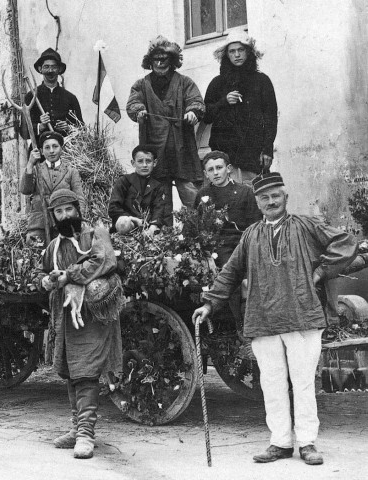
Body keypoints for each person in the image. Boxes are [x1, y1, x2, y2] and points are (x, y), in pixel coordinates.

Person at [192, 173, 358, 466]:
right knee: (271, 382)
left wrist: (320, 272)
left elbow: (344, 243)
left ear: (286, 198)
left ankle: (307, 442)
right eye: (265, 198)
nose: (271, 202)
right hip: (263, 317)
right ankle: (280, 442)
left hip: (302, 316)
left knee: (304, 381)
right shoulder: (251, 234)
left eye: (276, 196)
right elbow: (231, 272)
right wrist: (210, 304)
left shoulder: (306, 225)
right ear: (257, 202)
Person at [38, 189, 124, 459]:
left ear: (78, 209)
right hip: (65, 316)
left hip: (92, 316)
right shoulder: (54, 246)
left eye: (68, 209)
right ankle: (76, 429)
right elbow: (43, 271)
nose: (65, 216)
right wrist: (47, 280)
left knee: (86, 372)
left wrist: (70, 275)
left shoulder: (95, 233)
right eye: (58, 212)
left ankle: (86, 433)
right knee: (70, 370)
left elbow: (105, 261)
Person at [126, 36, 205, 218]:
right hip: (155, 153)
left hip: (182, 151)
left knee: (193, 199)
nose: (160, 62)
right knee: (160, 203)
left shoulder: (185, 82)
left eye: (165, 58)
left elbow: (196, 101)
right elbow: (132, 103)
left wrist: (193, 111)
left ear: (173, 61)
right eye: (156, 59)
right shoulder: (141, 85)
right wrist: (138, 111)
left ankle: (199, 238)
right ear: (150, 61)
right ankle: (163, 240)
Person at [203, 29, 277, 186]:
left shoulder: (262, 81)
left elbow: (270, 118)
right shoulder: (217, 83)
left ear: (248, 52)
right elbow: (206, 115)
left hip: (252, 154)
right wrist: (223, 102)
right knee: (226, 202)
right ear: (226, 55)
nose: (237, 55)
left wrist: (268, 149)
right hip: (224, 155)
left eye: (241, 50)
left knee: (254, 198)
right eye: (232, 51)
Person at [20, 131, 85, 245]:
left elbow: (79, 198)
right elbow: (25, 190)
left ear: (61, 149)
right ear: (41, 151)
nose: (51, 151)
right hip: (39, 223)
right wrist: (30, 164)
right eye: (47, 147)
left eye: (55, 146)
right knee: (35, 255)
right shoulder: (35, 169)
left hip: (63, 223)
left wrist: (79, 221)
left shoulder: (71, 172)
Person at [108, 144, 171, 235]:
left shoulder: (158, 186)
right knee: (124, 223)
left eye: (148, 161)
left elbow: (159, 209)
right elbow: (113, 208)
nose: (144, 165)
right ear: (133, 163)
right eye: (140, 161)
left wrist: (152, 227)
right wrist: (134, 219)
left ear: (155, 163)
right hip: (127, 226)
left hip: (148, 227)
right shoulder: (124, 181)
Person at [24, 48, 83, 137]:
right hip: (40, 149)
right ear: (40, 69)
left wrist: (68, 128)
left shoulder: (70, 98)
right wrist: (41, 126)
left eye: (54, 67)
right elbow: (23, 132)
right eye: (46, 67)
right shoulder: (30, 97)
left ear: (59, 69)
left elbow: (82, 128)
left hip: (66, 148)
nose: (50, 71)